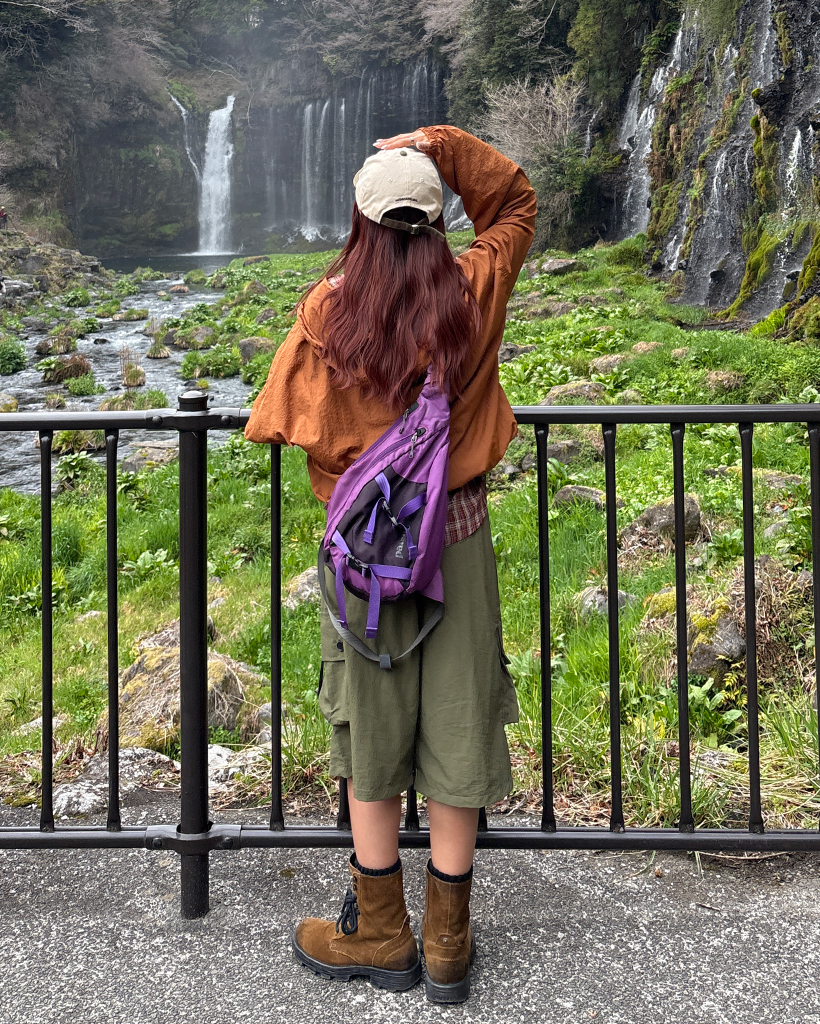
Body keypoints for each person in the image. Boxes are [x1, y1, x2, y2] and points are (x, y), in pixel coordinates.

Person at [244, 125, 536, 1003]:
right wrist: (439, 143)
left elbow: (291, 426)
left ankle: (380, 931)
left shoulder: (327, 312)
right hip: (459, 538)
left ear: (360, 223)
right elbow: (516, 200)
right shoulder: (474, 287)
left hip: (365, 562)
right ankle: (448, 942)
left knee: (368, 728)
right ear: (438, 220)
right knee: (458, 721)